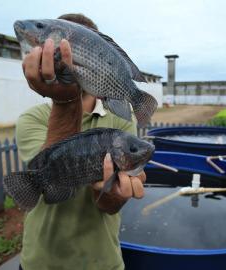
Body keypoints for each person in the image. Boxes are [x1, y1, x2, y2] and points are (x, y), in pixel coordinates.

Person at [16, 13, 146, 270]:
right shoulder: (31, 119)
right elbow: (49, 175)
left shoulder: (121, 120)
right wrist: (65, 101)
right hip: (42, 263)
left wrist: (114, 194)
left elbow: (110, 206)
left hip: (102, 263)